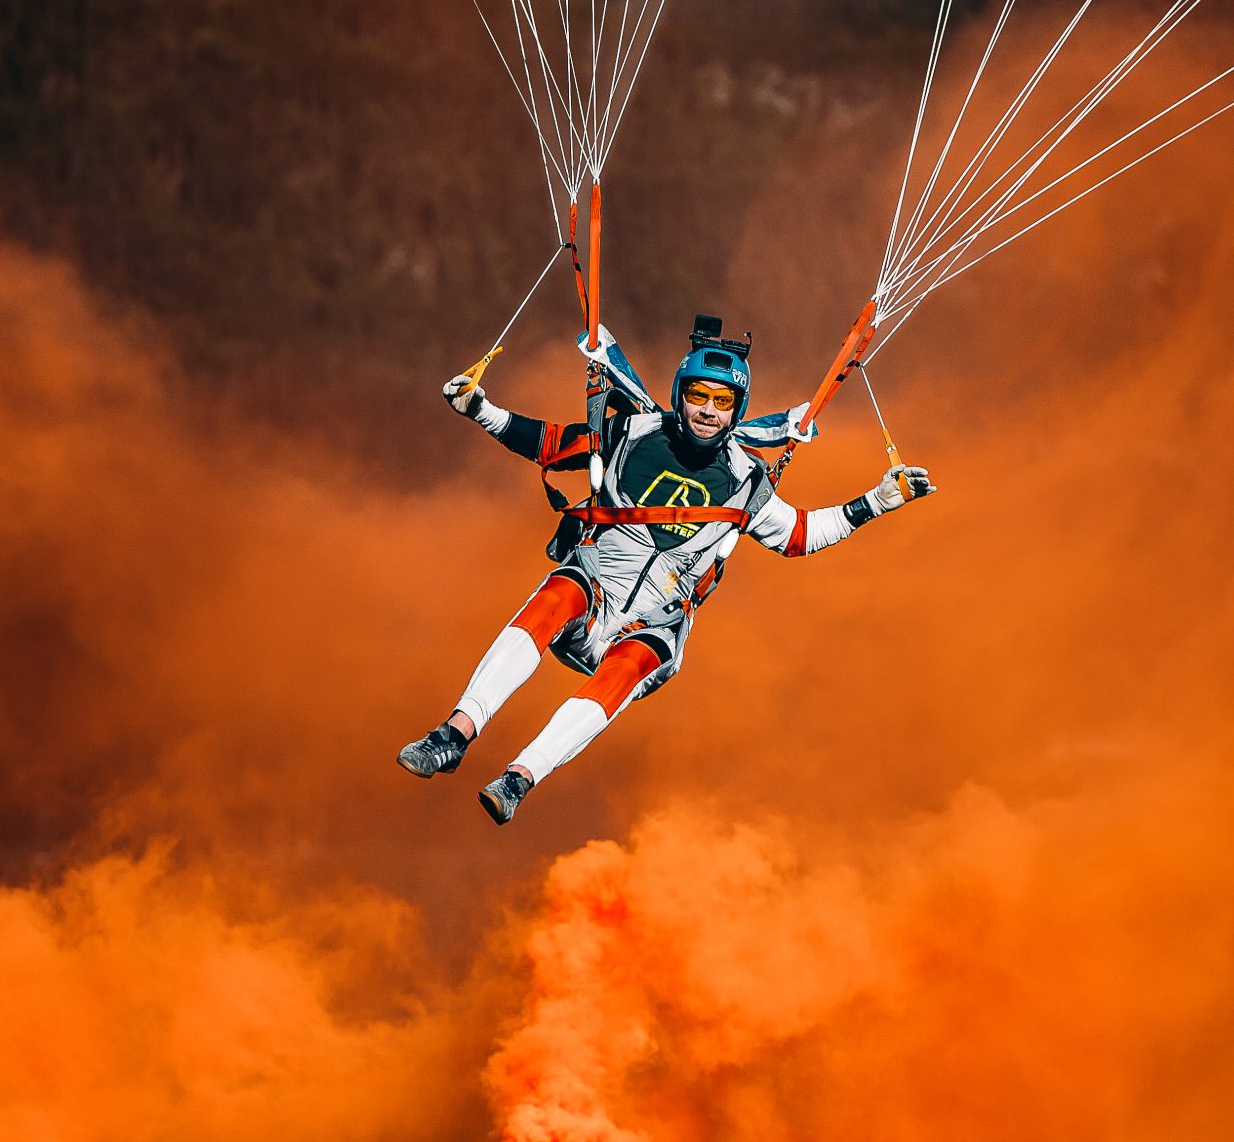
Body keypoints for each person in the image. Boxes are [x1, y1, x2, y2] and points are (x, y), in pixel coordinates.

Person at [398, 319, 936, 823]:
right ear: (680, 394)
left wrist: (878, 501)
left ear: (737, 408)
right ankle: (455, 733)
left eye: (722, 401)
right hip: (593, 596)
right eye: (698, 395)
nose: (707, 410)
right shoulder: (633, 433)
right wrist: (480, 409)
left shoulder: (748, 478)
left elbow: (799, 535)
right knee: (560, 593)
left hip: (649, 626)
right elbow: (547, 443)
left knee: (632, 661)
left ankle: (518, 779)